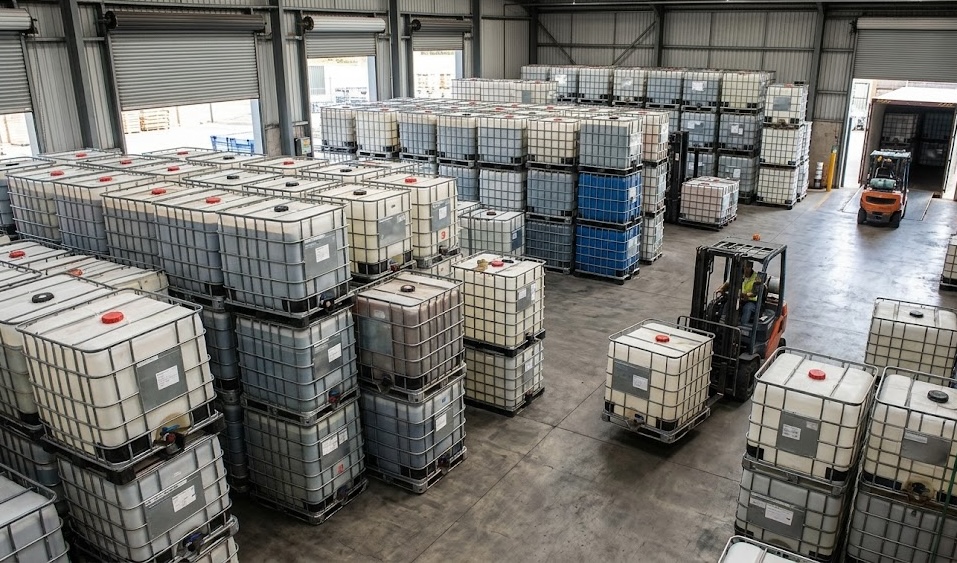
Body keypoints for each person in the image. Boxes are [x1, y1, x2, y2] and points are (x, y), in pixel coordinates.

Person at [719, 260, 761, 325]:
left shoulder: (757, 278)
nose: (745, 270)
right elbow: (729, 282)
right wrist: (722, 288)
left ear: (751, 267)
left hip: (751, 301)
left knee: (747, 308)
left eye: (747, 267)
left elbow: (755, 293)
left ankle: (743, 327)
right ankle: (722, 321)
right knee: (728, 303)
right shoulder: (740, 274)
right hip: (739, 297)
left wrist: (746, 295)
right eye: (744, 267)